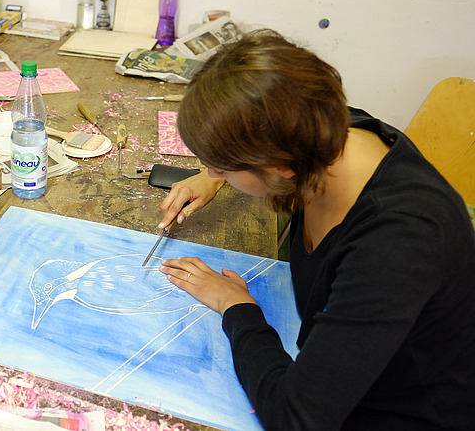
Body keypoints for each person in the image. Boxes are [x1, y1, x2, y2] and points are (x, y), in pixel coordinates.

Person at [158, 29, 475, 429]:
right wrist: (215, 173)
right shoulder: (331, 128)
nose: (213, 171)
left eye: (223, 165)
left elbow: (296, 418)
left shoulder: (397, 243)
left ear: (280, 167)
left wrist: (237, 309)